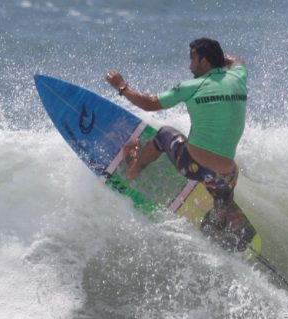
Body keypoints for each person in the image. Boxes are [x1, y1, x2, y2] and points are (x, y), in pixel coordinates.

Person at [105, 38, 252, 250]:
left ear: (204, 61)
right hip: (227, 173)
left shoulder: (192, 86)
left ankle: (134, 168)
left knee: (164, 133)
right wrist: (218, 58)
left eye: (192, 58)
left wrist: (121, 86)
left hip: (193, 164)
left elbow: (149, 103)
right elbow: (238, 60)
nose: (190, 65)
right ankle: (221, 216)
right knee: (223, 190)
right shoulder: (238, 77)